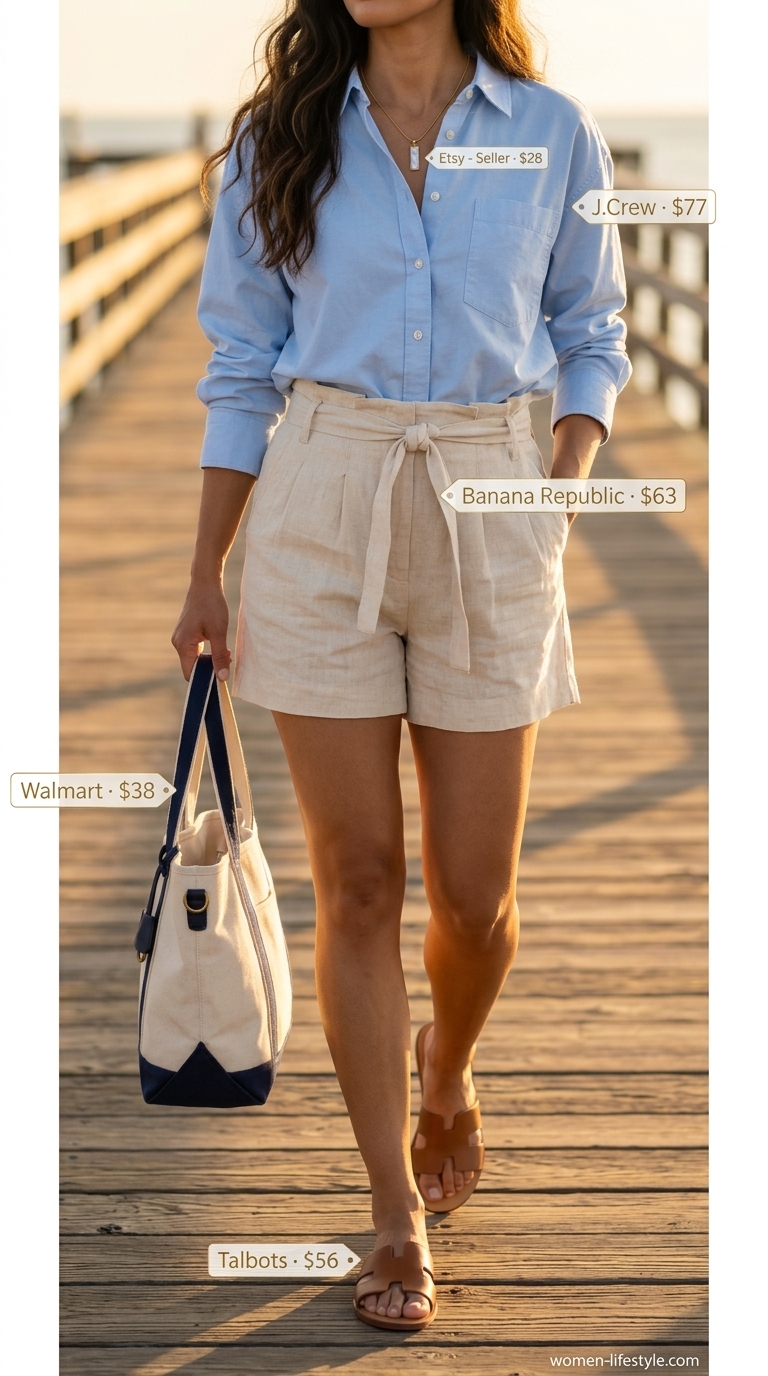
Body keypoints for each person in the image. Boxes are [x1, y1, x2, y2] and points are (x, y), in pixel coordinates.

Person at [172, 0, 630, 1332]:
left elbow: (592, 332)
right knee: (358, 879)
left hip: (491, 493)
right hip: (324, 501)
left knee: (477, 899)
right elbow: (243, 359)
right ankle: (392, 1216)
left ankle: (450, 1074)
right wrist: (208, 570)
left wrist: (556, 487)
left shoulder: (550, 134)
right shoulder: (283, 139)